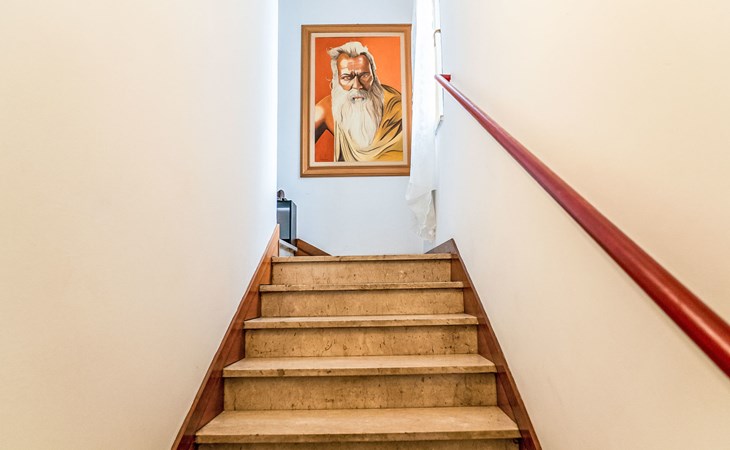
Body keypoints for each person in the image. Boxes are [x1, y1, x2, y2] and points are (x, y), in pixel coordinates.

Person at [314, 41, 403, 162]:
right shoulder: (325, 109)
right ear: (335, 81)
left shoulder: (398, 108)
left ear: (374, 77)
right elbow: (298, 149)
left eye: (364, 75)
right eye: (346, 77)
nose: (357, 85)